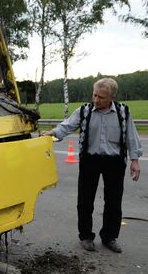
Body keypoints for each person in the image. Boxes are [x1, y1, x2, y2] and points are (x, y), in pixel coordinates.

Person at [43, 78, 142, 253]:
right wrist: (53, 132)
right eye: (94, 95)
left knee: (113, 202)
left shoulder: (123, 112)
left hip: (115, 161)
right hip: (90, 160)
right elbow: (67, 126)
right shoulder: (85, 110)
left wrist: (135, 160)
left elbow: (131, 137)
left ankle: (109, 237)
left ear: (112, 97)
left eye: (101, 97)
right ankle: (86, 236)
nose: (96, 100)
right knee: (85, 201)